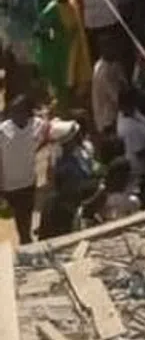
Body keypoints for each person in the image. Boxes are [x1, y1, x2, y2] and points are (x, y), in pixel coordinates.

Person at [0, 91, 79, 244]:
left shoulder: (39, 125)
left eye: (19, 111)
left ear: (28, 113)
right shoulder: (2, 131)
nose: (14, 114)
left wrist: (61, 142)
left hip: (27, 185)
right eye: (13, 111)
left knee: (24, 228)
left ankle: (26, 253)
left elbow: (70, 128)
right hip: (5, 187)